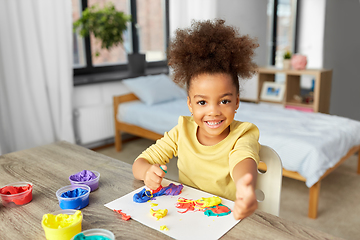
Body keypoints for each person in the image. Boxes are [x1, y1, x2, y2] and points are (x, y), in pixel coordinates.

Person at [132, 19, 260, 220]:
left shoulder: (243, 133)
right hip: (187, 214)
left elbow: (243, 159)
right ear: (190, 104)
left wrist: (245, 184)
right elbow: (140, 162)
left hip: (225, 219)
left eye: (224, 101)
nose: (213, 111)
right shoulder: (181, 130)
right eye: (202, 103)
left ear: (237, 102)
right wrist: (147, 171)